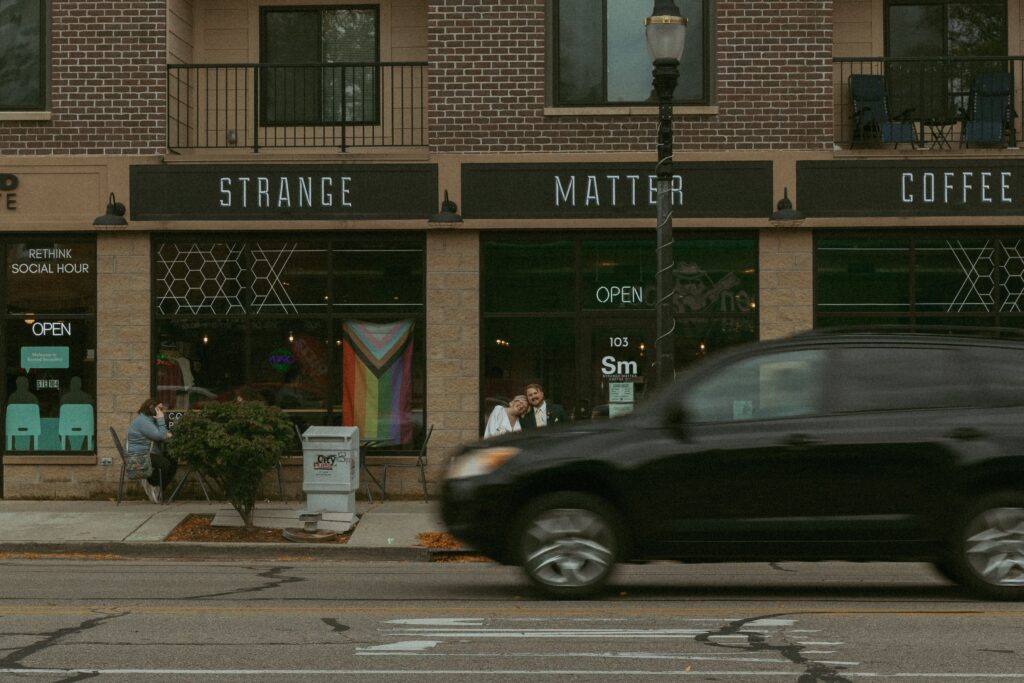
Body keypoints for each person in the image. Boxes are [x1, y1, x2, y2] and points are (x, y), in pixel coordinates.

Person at [126, 398, 177, 504]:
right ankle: (153, 483)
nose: (161, 411)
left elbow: (162, 433)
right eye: (159, 408)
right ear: (151, 407)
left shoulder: (148, 420)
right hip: (139, 455)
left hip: (146, 452)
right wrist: (161, 419)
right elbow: (160, 436)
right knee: (165, 464)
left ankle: (157, 488)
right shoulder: (143, 421)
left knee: (173, 460)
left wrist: (164, 431)